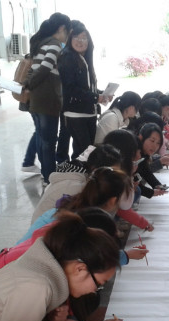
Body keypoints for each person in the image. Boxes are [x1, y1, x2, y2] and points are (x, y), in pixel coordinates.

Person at [27, 14, 72, 184]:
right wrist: (30, 83)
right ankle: (50, 177)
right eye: (68, 32)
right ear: (62, 28)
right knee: (49, 141)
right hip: (48, 99)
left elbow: (33, 68)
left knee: (42, 138)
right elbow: (45, 68)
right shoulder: (54, 44)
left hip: (37, 99)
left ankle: (46, 173)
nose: (67, 37)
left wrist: (28, 84)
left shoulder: (41, 43)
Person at [31, 144, 121, 224]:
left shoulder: (81, 177)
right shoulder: (76, 188)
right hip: (45, 235)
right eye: (111, 172)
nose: (114, 177)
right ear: (95, 169)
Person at [58, 23, 108, 160]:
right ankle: (74, 173)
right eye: (76, 37)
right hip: (75, 113)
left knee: (84, 152)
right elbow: (70, 89)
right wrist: (95, 97)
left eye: (84, 38)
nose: (80, 41)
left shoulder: (83, 59)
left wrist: (101, 94)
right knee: (85, 152)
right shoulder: (68, 57)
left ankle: (78, 173)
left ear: (89, 41)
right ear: (70, 39)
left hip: (88, 112)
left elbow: (86, 87)